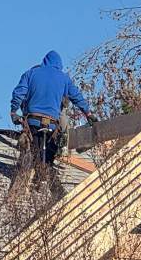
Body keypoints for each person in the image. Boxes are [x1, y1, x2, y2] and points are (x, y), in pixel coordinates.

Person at [9, 50, 95, 199]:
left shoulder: (31, 74)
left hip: (33, 121)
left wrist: (13, 110)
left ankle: (23, 188)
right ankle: (48, 183)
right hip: (52, 124)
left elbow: (19, 93)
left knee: (31, 152)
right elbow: (76, 96)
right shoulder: (63, 78)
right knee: (49, 155)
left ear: (44, 61)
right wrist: (88, 114)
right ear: (59, 65)